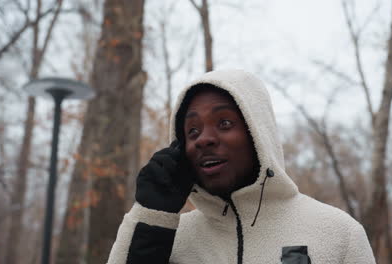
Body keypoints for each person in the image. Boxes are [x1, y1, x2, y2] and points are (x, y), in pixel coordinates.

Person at [107, 69, 376, 264]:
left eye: (224, 123)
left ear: (258, 134)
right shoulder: (171, 237)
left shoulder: (339, 233)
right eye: (192, 130)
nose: (205, 139)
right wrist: (151, 217)